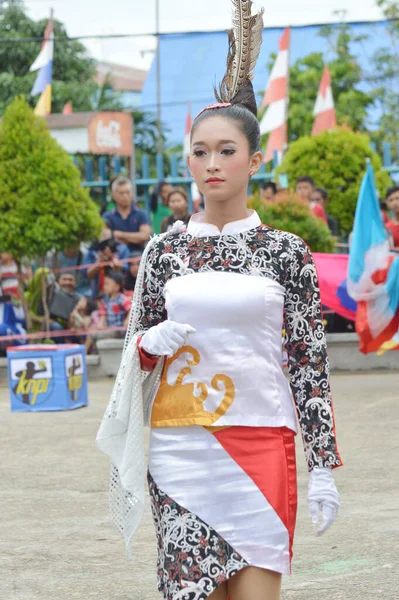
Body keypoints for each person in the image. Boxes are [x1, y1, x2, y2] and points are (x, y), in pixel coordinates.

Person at [97, 3, 342, 599]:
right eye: (200, 151)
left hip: (263, 441)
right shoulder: (163, 251)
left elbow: (307, 364)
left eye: (227, 150)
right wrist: (149, 347)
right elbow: (135, 362)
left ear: (255, 160)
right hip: (182, 448)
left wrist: (323, 468)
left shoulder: (286, 251)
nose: (212, 163)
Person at [103, 176, 151, 253]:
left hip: (138, 259)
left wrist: (119, 234)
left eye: (127, 192)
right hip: (116, 259)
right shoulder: (107, 216)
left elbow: (145, 236)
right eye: (121, 193)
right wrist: (134, 238)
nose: (125, 196)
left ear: (132, 193)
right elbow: (105, 238)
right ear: (113, 195)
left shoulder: (141, 214)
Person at [85, 223, 130, 299]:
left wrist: (112, 259)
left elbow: (127, 269)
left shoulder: (122, 248)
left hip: (118, 295)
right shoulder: (92, 250)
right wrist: (99, 263)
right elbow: (88, 274)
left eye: (106, 228)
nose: (103, 231)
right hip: (97, 295)